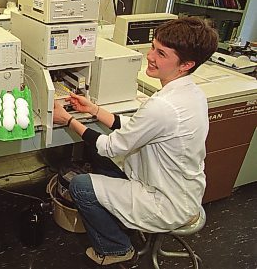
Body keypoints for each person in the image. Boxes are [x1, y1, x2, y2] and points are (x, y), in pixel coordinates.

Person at [53, 17, 218, 266]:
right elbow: (137, 128)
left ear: (186, 64)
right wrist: (94, 110)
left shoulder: (163, 106)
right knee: (99, 160)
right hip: (182, 188)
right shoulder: (191, 94)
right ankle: (119, 218)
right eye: (153, 47)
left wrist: (66, 120)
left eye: (161, 53)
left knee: (81, 186)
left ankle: (116, 249)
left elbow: (110, 146)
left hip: (166, 202)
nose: (150, 56)